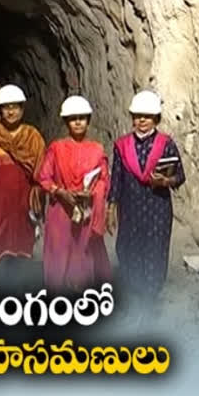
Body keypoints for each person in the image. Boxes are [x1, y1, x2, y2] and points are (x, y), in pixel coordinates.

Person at [107, 90, 186, 300]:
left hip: (157, 208)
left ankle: (150, 296)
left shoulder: (166, 144)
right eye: (138, 115)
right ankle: (133, 292)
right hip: (130, 207)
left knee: (155, 249)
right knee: (127, 247)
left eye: (148, 116)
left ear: (156, 119)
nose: (142, 120)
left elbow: (180, 175)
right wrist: (111, 205)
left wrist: (166, 181)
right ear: (132, 117)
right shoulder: (122, 146)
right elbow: (116, 177)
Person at [36, 96, 112, 293]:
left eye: (82, 118)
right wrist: (60, 192)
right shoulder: (56, 148)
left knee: (82, 255)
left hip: (85, 211)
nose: (78, 122)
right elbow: (44, 178)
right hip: (60, 210)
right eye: (72, 118)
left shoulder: (97, 149)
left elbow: (104, 179)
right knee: (59, 254)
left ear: (88, 120)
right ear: (66, 122)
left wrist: (91, 192)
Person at [0, 84, 46, 289]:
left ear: (22, 109)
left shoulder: (32, 136)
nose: (11, 111)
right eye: (6, 107)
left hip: (22, 201)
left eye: (15, 107)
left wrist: (38, 196)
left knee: (19, 242)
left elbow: (42, 171)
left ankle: (12, 290)